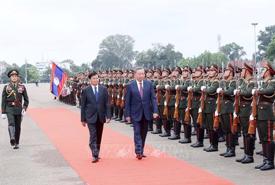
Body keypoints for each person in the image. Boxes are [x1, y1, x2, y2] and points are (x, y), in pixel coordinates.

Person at [125, 67, 159, 160]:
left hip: (147, 112)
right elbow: (127, 101)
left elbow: (153, 99)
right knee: (137, 132)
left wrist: (155, 111)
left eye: (143, 74)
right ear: (135, 74)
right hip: (135, 113)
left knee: (143, 133)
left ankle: (141, 150)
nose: (141, 75)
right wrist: (127, 115)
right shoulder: (130, 85)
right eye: (139, 74)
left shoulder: (149, 84)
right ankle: (138, 151)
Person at [81, 71, 111, 163]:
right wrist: (83, 119)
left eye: (97, 78)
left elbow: (107, 103)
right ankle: (94, 154)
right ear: (90, 80)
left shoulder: (103, 89)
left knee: (99, 136)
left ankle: (97, 152)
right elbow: (83, 105)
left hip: (101, 116)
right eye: (94, 78)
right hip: (90, 116)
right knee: (93, 135)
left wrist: (108, 115)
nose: (96, 80)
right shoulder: (86, 90)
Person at [1, 69, 29, 149]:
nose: (14, 77)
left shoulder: (22, 87)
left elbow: (26, 99)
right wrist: (3, 112)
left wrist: (24, 108)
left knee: (18, 126)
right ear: (10, 78)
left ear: (17, 77)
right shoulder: (6, 87)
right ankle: (12, 138)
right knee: (11, 123)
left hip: (19, 108)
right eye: (12, 76)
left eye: (15, 76)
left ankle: (17, 142)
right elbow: (3, 100)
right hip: (9, 108)